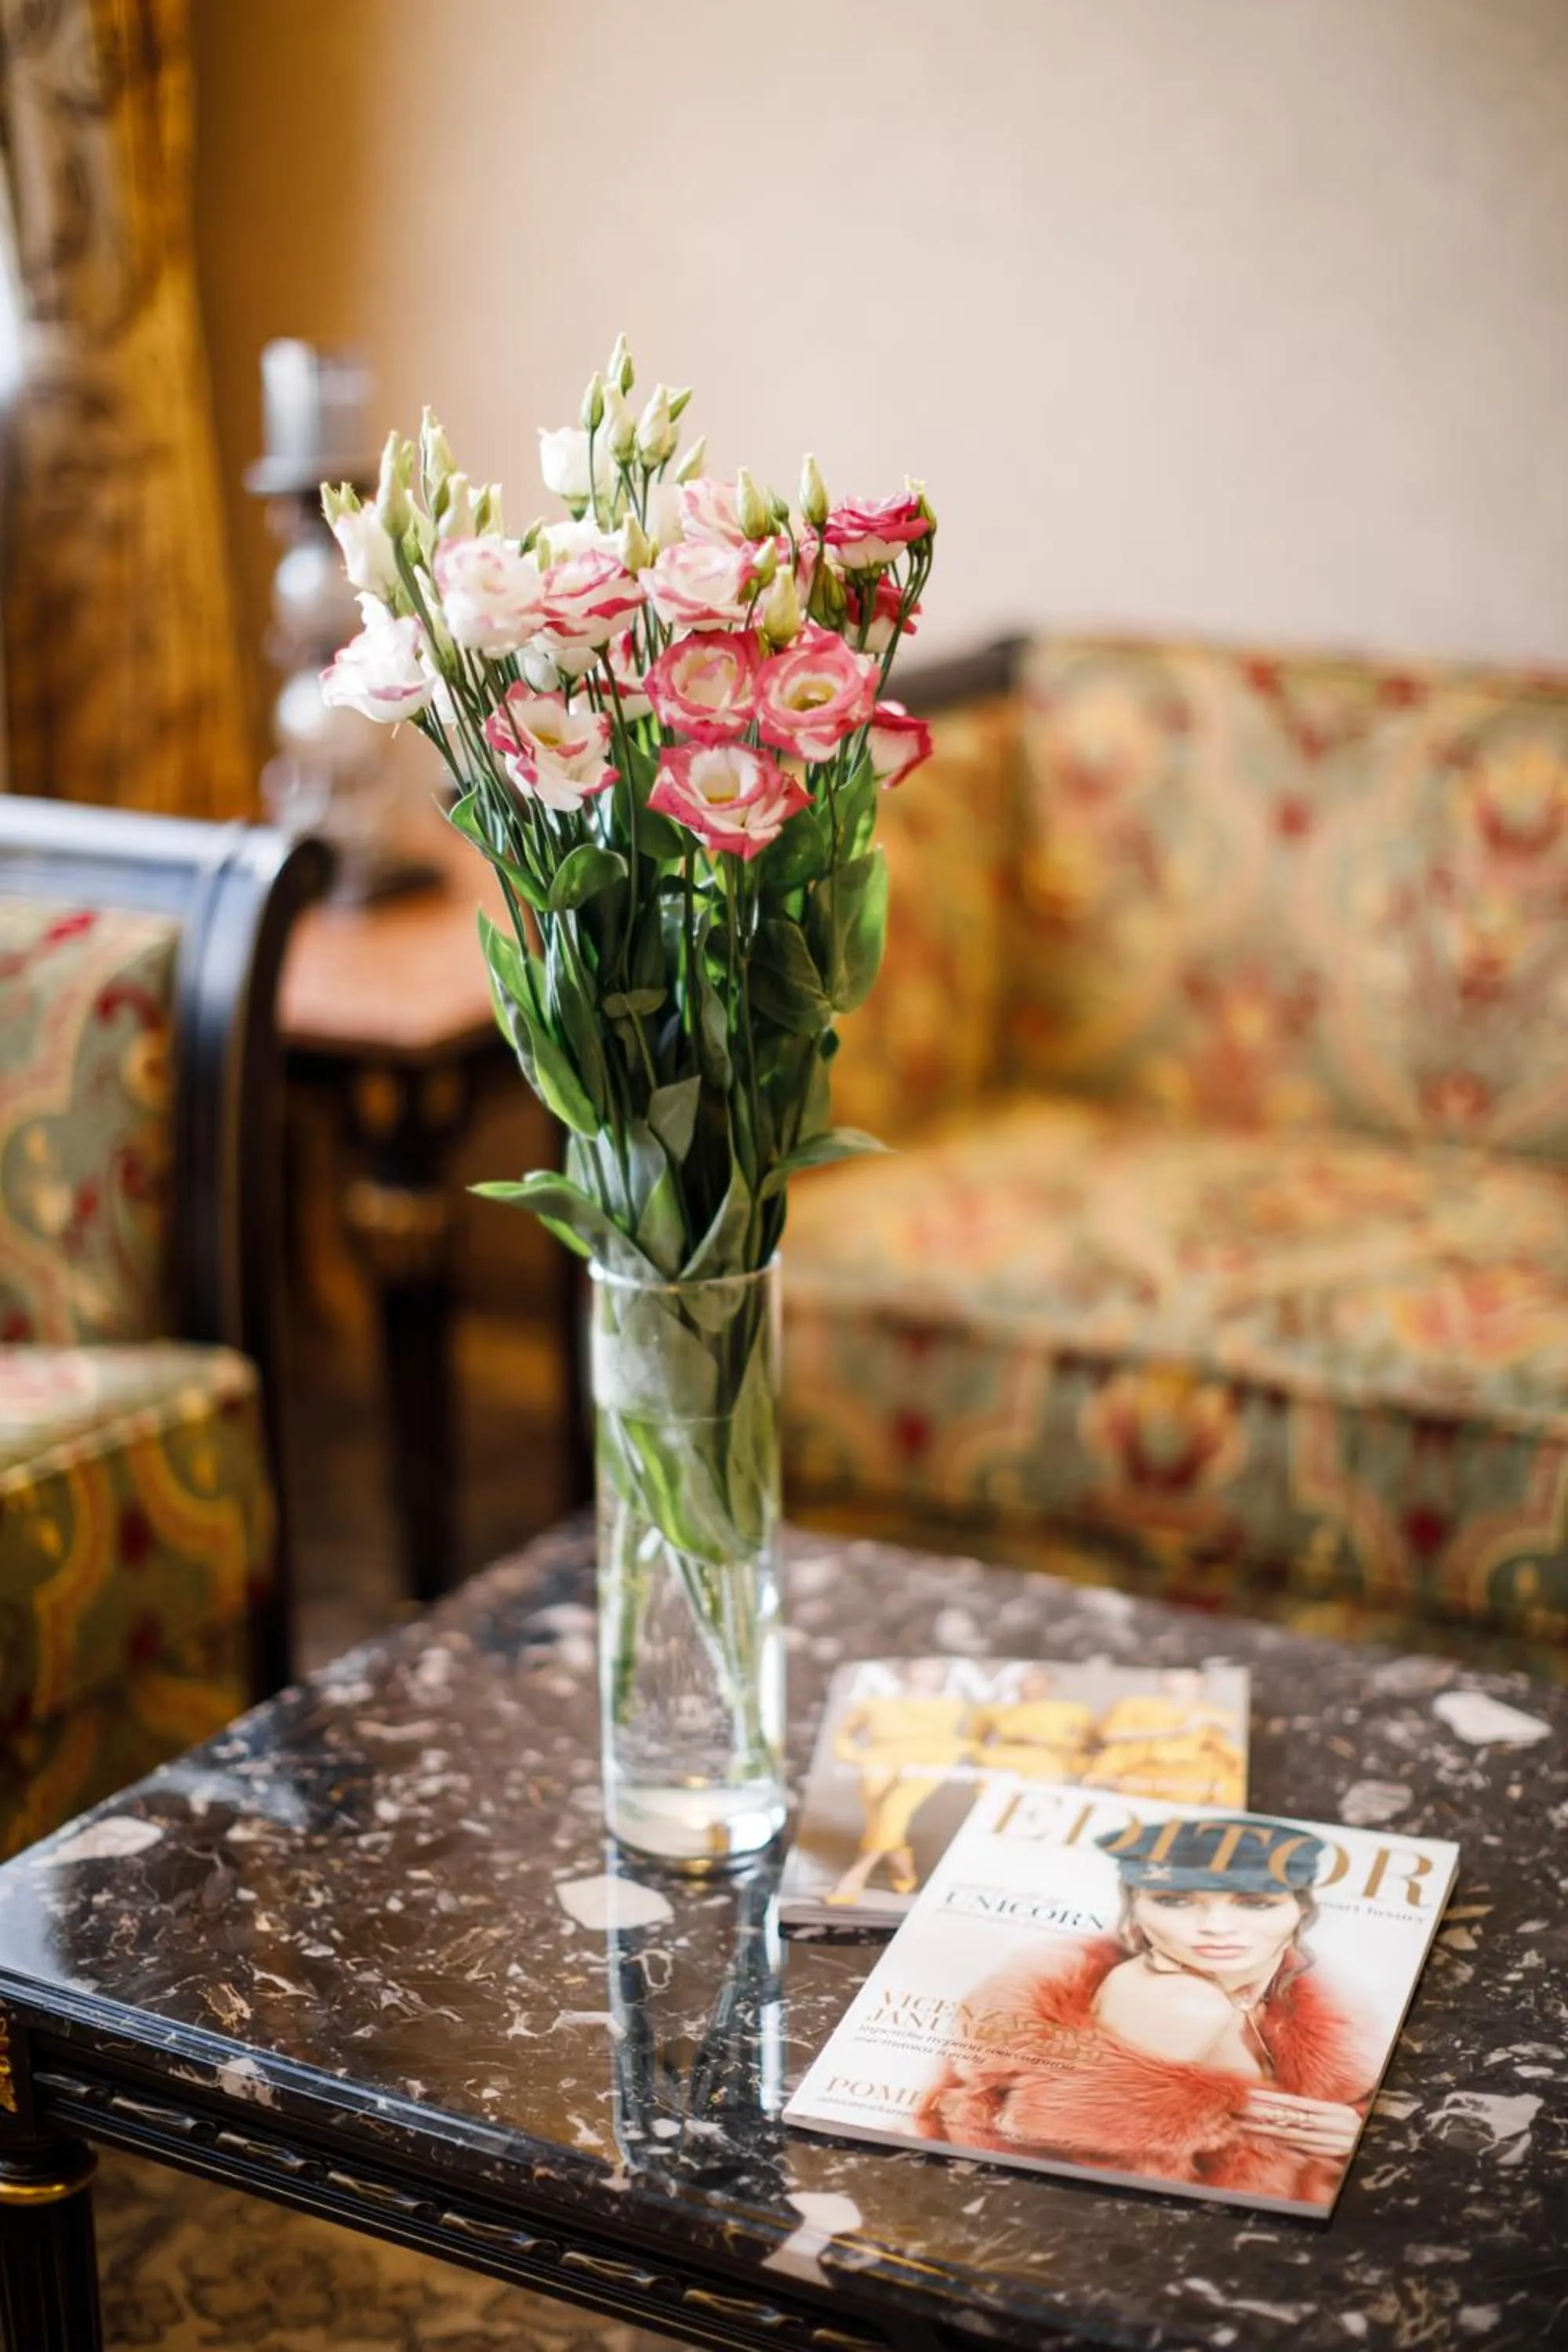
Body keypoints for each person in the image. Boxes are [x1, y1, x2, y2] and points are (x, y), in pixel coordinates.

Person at [916, 1816, 1375, 2205]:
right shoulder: (1180, 2003)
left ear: (1301, 1911)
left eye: (1255, 1903)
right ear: (1133, 1907)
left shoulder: (1297, 2001)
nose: (1215, 1927)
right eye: (1175, 1901)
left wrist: (1351, 2135)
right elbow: (1111, 2199)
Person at [827, 1661, 971, 1905]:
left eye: (931, 1665)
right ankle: (901, 1866)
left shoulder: (951, 1705)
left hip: (926, 1763)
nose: (924, 1670)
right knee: (881, 1819)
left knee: (894, 1809)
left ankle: (855, 1876)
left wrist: (940, 1761)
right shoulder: (875, 1702)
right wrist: (857, 1757)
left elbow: (956, 1741)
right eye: (920, 1664)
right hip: (878, 1763)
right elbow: (844, 1735)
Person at [967, 1667, 1094, 1780]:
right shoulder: (997, 1711)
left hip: (1044, 1763)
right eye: (1025, 1680)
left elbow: (1082, 1743)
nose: (1026, 1685)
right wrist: (982, 1755)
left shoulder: (1070, 1710)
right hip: (1001, 1760)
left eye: (1035, 1680)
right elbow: (974, 1740)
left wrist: (1048, 1741)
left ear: (1048, 1684)